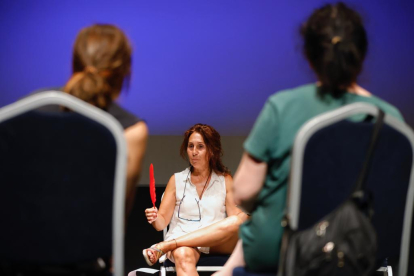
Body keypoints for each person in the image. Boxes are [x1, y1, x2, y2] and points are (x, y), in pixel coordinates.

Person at [214, 2, 404, 275]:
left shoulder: (282, 107)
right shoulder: (391, 118)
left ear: (309, 54)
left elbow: (242, 192)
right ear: (361, 53)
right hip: (360, 259)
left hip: (283, 261)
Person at [37, 24, 148, 219]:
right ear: (125, 70)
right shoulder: (130, 131)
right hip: (89, 248)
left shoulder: (25, 110)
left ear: (74, 63)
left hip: (15, 245)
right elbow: (116, 219)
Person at [142, 123, 248, 276]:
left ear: (211, 150)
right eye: (190, 146)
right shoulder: (176, 180)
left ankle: (166, 245)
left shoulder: (225, 180)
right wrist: (154, 217)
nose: (194, 152)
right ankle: (173, 244)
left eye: (200, 147)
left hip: (214, 242)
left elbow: (233, 222)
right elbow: (161, 223)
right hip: (184, 244)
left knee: (240, 219)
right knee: (182, 254)